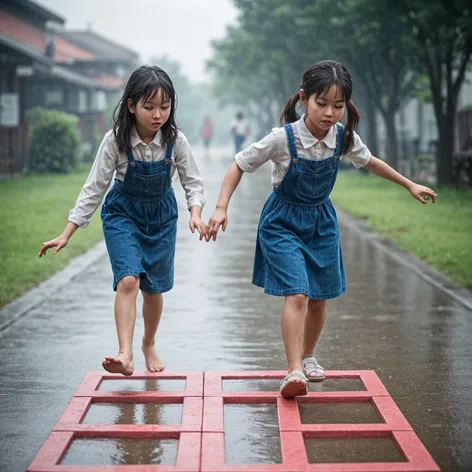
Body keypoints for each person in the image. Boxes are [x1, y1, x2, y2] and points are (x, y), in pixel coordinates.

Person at [206, 60, 437, 399]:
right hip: (282, 222)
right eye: (322, 103)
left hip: (321, 222)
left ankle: (308, 355)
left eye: (339, 106)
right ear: (304, 99)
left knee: (319, 298)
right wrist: (221, 206)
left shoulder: (343, 138)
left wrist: (409, 184)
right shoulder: (281, 139)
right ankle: (293, 369)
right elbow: (239, 165)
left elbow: (371, 162)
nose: (330, 113)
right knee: (297, 293)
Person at [38, 65, 207, 376]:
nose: (158, 114)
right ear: (131, 105)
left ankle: (148, 343)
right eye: (149, 106)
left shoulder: (176, 141)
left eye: (165, 107)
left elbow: (193, 182)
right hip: (123, 214)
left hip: (161, 216)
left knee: (154, 291)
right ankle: (125, 354)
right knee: (128, 280)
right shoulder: (115, 140)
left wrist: (195, 212)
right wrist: (67, 232)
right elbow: (94, 187)